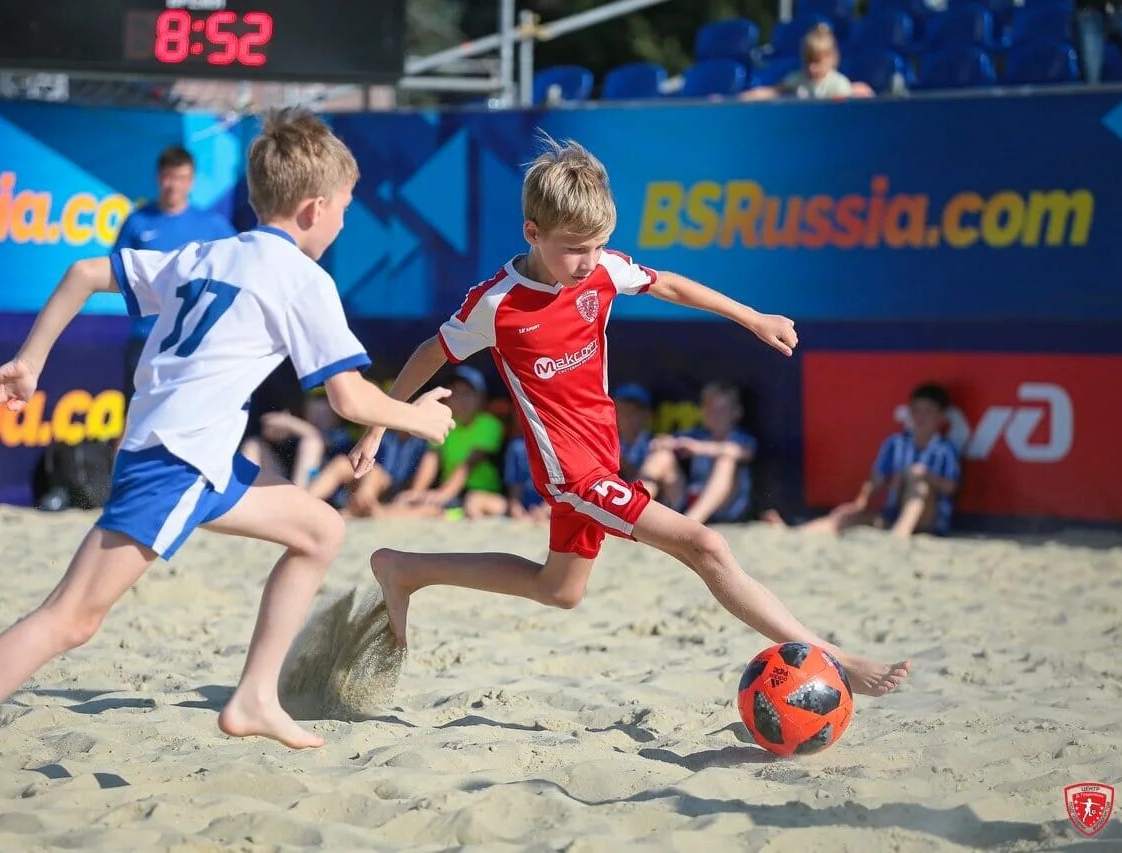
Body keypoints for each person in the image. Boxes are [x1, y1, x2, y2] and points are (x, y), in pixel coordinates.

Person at [0, 108, 456, 828]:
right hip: (174, 465)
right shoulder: (302, 279)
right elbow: (346, 396)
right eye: (343, 207)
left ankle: (253, 696)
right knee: (69, 620)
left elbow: (85, 271)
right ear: (314, 207)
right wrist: (418, 417)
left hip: (186, 454)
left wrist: (31, 362)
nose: (343, 220)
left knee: (317, 528)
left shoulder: (212, 252)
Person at [349, 136, 910, 702]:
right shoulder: (496, 305)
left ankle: (405, 568)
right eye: (575, 249)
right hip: (574, 474)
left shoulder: (600, 271)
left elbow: (667, 283)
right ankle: (834, 659)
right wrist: (380, 423)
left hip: (605, 458)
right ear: (532, 233)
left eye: (598, 245)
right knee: (705, 545)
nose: (589, 261)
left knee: (559, 589)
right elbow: (430, 351)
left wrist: (751, 316)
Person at [113, 146, 236, 402]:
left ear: (191, 181)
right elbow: (116, 274)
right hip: (146, 338)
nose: (173, 185)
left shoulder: (213, 226)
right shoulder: (137, 221)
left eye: (181, 178)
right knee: (134, 420)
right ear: (159, 177)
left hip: (195, 343)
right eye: (169, 177)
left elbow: (236, 271)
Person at [763, 383, 959, 537]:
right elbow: (876, 480)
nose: (921, 417)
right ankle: (795, 533)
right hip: (892, 514)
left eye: (928, 411)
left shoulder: (944, 449)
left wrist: (925, 476)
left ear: (940, 416)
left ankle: (899, 536)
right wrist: (859, 503)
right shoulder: (895, 443)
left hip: (930, 521)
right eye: (917, 410)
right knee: (847, 518)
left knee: (918, 480)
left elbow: (951, 487)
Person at [380, 366, 507, 520]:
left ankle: (381, 514)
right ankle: (383, 513)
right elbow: (431, 458)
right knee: (414, 503)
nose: (460, 399)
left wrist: (443, 493)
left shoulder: (489, 424)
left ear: (481, 398)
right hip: (454, 493)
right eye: (455, 393)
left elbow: (469, 464)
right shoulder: (449, 423)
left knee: (432, 510)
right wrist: (417, 491)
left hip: (482, 493)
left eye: (467, 393)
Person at [639, 381, 757, 524]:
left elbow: (744, 452)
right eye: (709, 408)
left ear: (736, 412)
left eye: (720, 410)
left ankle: (690, 523)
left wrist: (698, 448)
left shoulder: (741, 437)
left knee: (726, 460)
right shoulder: (697, 434)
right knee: (662, 456)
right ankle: (633, 511)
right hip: (689, 498)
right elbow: (664, 441)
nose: (714, 415)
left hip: (726, 508)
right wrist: (668, 443)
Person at [241, 390, 355, 489]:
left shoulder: (343, 436)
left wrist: (289, 422)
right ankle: (248, 499)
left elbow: (320, 440)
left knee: (312, 443)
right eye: (316, 400)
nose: (321, 409)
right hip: (284, 487)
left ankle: (298, 500)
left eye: (327, 402)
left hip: (318, 493)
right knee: (253, 445)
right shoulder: (296, 433)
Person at [742, 24, 874, 101]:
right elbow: (774, 90)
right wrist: (742, 98)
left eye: (817, 62)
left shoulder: (838, 83)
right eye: (808, 61)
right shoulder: (799, 78)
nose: (812, 68)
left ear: (831, 59)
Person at [612, 382, 653, 483]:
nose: (626, 416)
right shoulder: (608, 442)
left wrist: (622, 462)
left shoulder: (654, 443)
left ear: (646, 414)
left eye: (633, 411)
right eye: (621, 410)